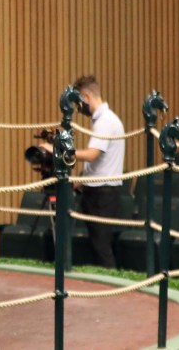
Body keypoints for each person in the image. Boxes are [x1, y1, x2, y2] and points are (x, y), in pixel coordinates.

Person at [71, 74, 125, 268]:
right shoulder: (105, 120)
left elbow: (92, 154)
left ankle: (109, 283)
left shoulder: (105, 121)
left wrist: (61, 151)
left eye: (78, 102)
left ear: (86, 97)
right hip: (99, 191)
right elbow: (101, 163)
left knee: (101, 247)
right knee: (96, 246)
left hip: (102, 194)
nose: (78, 108)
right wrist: (81, 181)